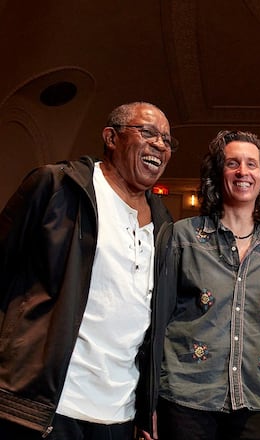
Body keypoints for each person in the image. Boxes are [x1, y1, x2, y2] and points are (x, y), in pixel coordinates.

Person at [0, 102, 175, 439]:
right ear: (111, 137)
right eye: (148, 133)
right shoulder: (57, 187)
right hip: (46, 405)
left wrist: (145, 407)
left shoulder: (165, 224)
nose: (160, 145)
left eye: (167, 141)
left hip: (118, 414)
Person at [156, 130, 260, 440]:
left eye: (251, 165)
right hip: (185, 397)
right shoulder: (182, 236)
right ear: (218, 175)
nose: (243, 172)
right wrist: (149, 400)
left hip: (256, 399)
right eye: (232, 163)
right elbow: (158, 319)